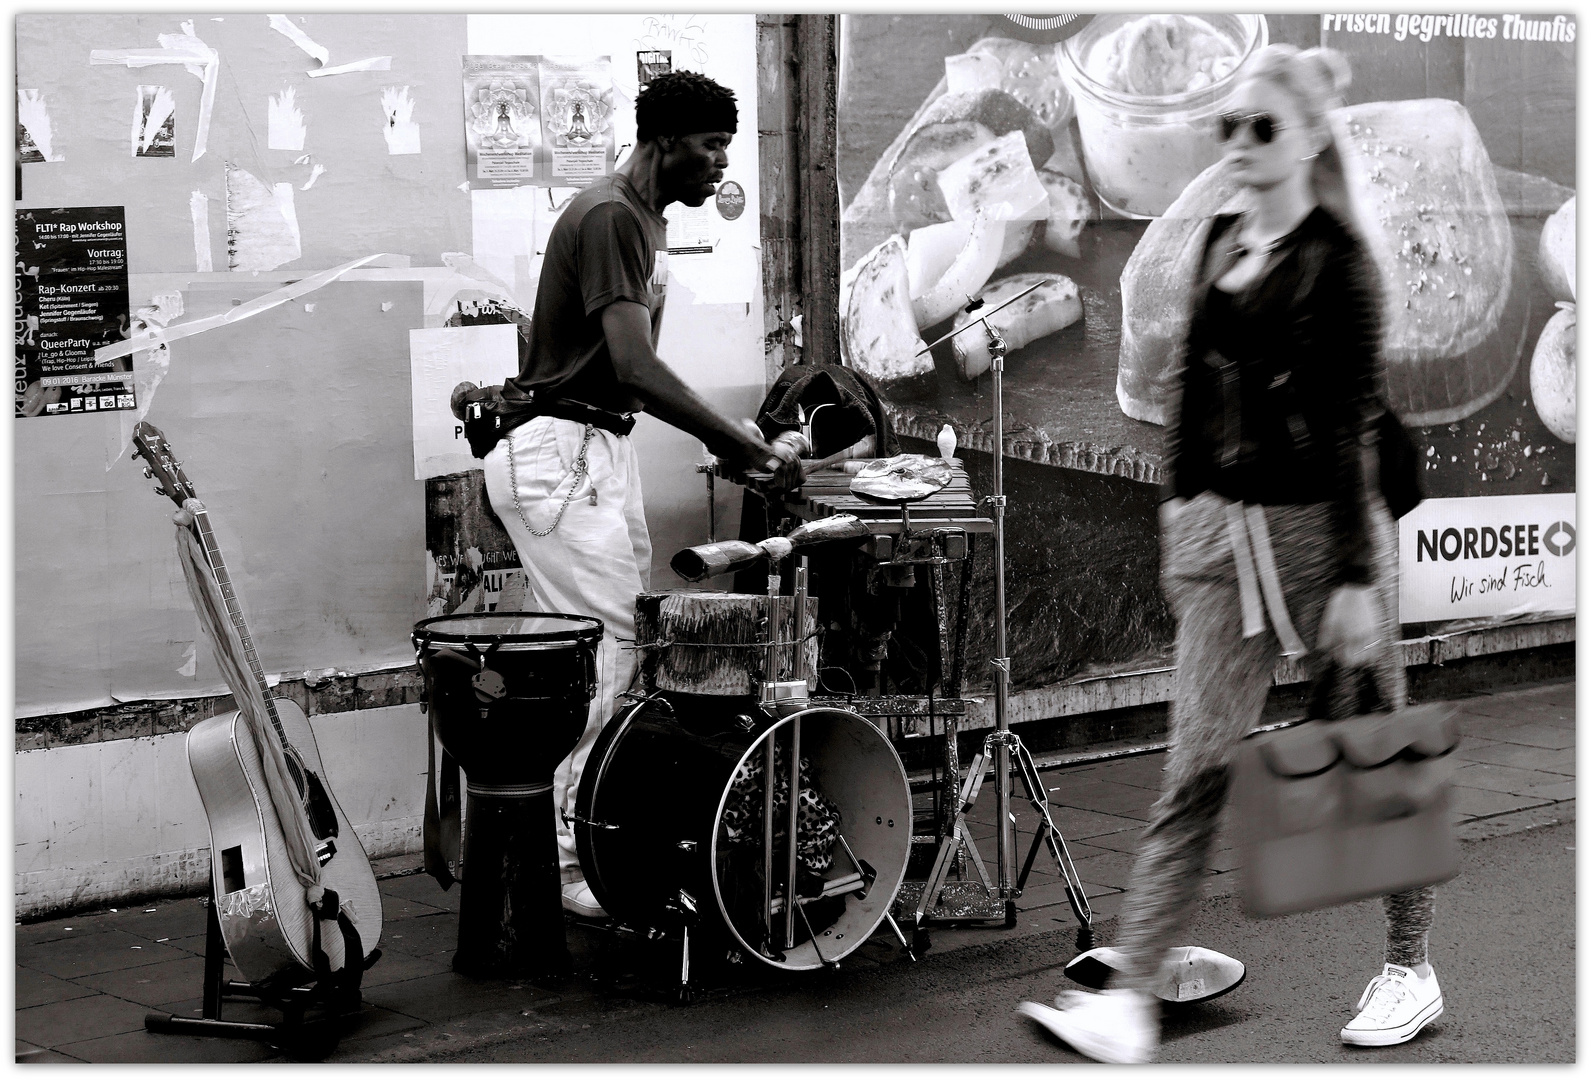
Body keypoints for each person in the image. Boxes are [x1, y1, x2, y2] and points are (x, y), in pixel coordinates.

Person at [1019, 45, 1442, 1062]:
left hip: (1323, 533)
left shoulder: (1339, 260)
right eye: (1229, 128)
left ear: (1303, 138)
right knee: (1196, 766)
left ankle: (1409, 965)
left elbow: (1346, 423)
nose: (1240, 145)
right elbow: (1188, 394)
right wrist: (1179, 514)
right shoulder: (1216, 241)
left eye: (1260, 128)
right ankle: (1131, 994)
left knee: (1373, 757)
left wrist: (1349, 576)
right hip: (1218, 536)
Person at [483, 70, 801, 919]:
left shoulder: (643, 220)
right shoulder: (613, 214)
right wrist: (731, 437)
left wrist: (729, 442)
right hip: (561, 451)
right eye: (709, 147)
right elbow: (631, 365)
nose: (719, 166)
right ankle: (561, 861)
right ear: (665, 141)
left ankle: (563, 842)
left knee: (620, 648)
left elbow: (629, 380)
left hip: (594, 449)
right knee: (608, 654)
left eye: (728, 149)